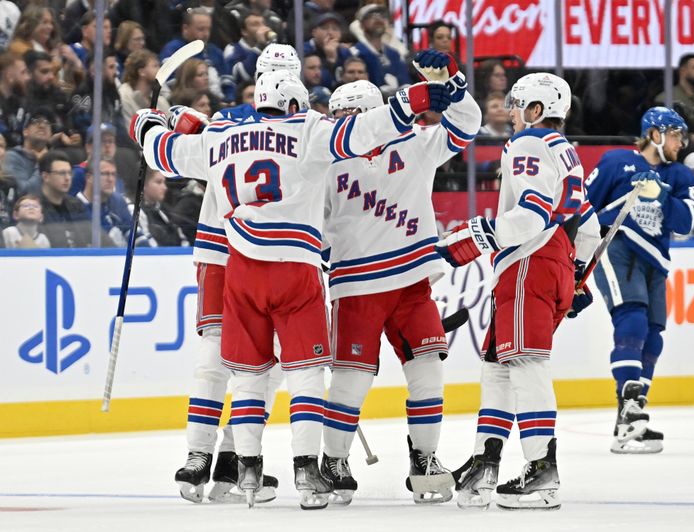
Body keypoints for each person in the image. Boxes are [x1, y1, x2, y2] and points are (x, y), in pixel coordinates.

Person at [130, 68, 452, 509]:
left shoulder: (223, 127)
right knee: (298, 371)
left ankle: (222, 461)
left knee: (236, 367)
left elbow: (165, 153)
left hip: (229, 255)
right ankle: (304, 470)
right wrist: (409, 101)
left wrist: (148, 123)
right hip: (292, 262)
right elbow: (362, 133)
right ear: (296, 100)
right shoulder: (309, 130)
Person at [320, 51, 480, 506]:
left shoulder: (415, 143)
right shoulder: (325, 163)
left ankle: (424, 460)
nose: (346, 125)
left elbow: (467, 122)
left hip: (412, 283)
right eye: (339, 117)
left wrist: (450, 79)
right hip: (356, 288)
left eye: (354, 115)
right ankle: (334, 460)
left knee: (428, 371)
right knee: (351, 381)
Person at [437, 73, 600, 510]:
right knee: (498, 367)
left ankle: (542, 472)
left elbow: (530, 217)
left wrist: (467, 242)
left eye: (516, 104)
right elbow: (589, 225)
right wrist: (578, 274)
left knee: (525, 365)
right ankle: (485, 462)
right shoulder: (567, 153)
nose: (510, 111)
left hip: (529, 261)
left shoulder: (528, 144)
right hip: (546, 265)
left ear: (536, 110)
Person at [170, 44, 302, 505]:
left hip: (223, 248)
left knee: (229, 361)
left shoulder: (224, 124)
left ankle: (206, 457)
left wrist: (164, 122)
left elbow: (183, 146)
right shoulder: (305, 125)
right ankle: (222, 458)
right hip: (259, 253)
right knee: (264, 364)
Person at [585, 106, 694, 454]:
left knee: (653, 336)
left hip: (655, 261)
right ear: (656, 134)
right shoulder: (616, 161)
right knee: (632, 320)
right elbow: (584, 206)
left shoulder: (680, 176)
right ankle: (629, 413)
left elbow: (685, 222)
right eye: (677, 135)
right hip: (617, 248)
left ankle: (631, 416)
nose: (681, 143)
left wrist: (661, 193)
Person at [160, 8, 234, 104]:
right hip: (189, 104)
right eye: (201, 29)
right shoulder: (172, 50)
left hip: (220, 104)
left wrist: (229, 100)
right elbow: (174, 86)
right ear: (185, 28)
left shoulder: (215, 51)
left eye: (208, 29)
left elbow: (227, 82)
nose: (206, 34)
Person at [350, 5, 410, 98]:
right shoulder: (355, 53)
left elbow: (406, 84)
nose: (378, 18)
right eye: (371, 16)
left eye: (382, 15)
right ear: (361, 25)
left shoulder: (394, 54)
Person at [36, 149, 93, 248]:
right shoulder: (34, 207)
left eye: (69, 173)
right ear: (45, 176)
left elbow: (90, 236)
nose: (67, 178)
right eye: (62, 173)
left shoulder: (76, 205)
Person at [3, 107, 53, 195]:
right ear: (25, 131)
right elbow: (23, 194)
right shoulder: (12, 157)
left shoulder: (55, 159)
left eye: (47, 123)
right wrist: (41, 164)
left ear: (50, 134)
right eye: (36, 121)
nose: (42, 125)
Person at [303, 12, 351, 90]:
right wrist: (330, 61)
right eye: (324, 28)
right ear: (314, 32)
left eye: (335, 29)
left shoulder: (345, 52)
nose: (330, 33)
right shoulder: (304, 50)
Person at [224, 10, 270, 87]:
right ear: (244, 31)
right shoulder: (232, 49)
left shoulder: (270, 49)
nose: (262, 28)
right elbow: (241, 75)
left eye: (263, 24)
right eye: (255, 24)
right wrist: (259, 47)